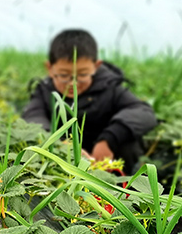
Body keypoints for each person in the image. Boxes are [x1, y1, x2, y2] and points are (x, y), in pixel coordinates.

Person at [22, 29, 157, 174]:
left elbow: (144, 112)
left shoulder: (110, 87)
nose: (73, 83)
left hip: (106, 161)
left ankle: (124, 190)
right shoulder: (44, 92)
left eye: (83, 75)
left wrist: (109, 139)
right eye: (63, 75)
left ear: (96, 66)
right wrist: (60, 145)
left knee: (128, 142)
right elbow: (32, 119)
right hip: (63, 163)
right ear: (49, 68)